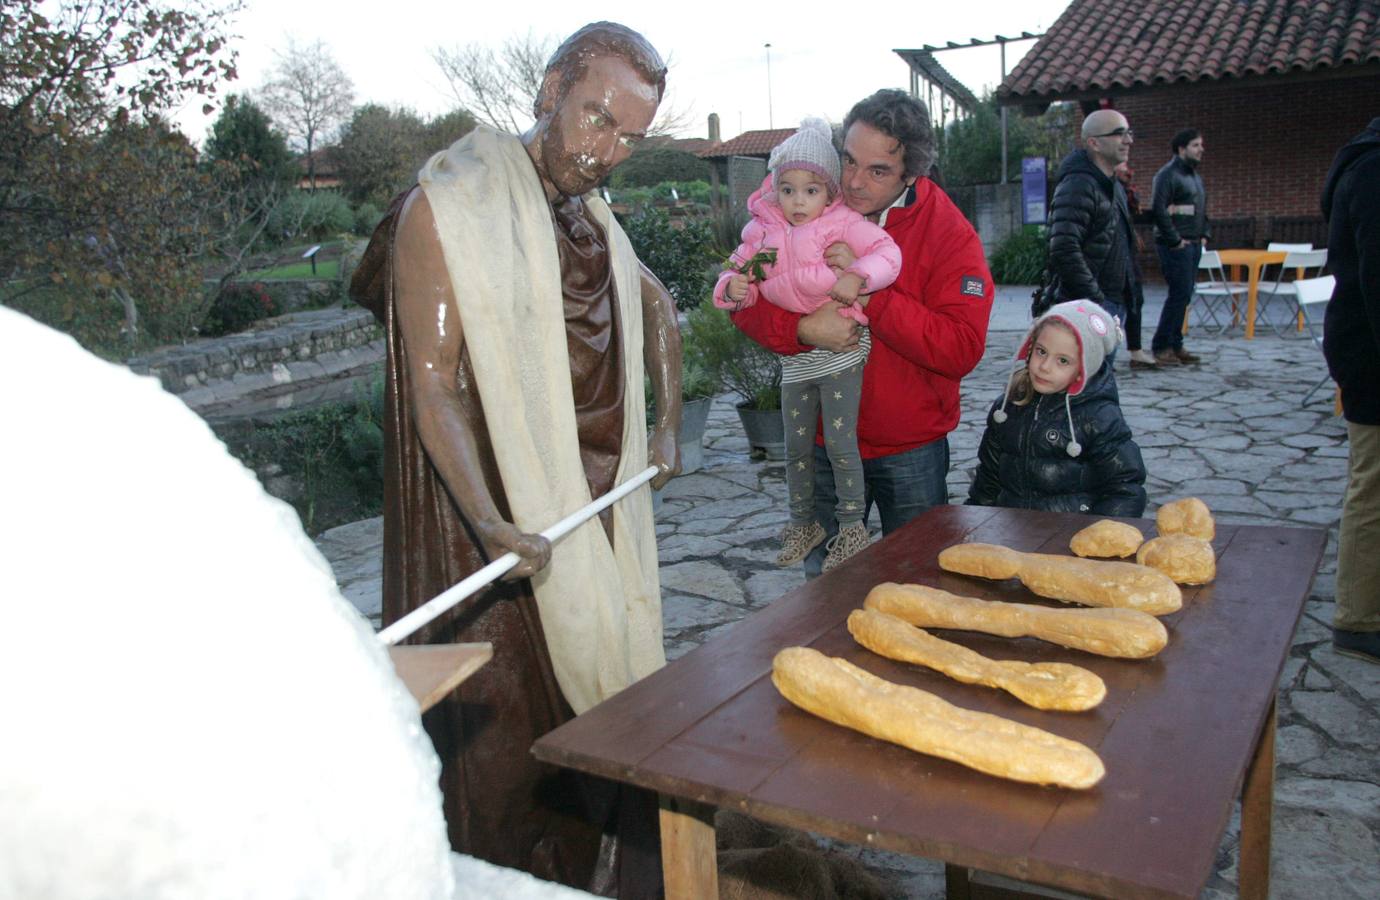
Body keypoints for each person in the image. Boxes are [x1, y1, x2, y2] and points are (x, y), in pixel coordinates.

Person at [350, 22, 680, 895]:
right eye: (594, 117)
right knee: (504, 739)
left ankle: (590, 870)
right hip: (482, 521)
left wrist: (669, 422)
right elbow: (434, 388)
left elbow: (657, 308)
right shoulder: (449, 209)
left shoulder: (590, 222)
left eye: (628, 138)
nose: (604, 150)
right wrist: (491, 518)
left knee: (585, 719)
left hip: (580, 498)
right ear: (549, 91)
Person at [730, 90, 993, 576]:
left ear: (912, 174)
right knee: (824, 589)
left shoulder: (949, 235)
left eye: (877, 171)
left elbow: (960, 347)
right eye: (848, 160)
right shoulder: (800, 204)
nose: (851, 182)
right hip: (822, 442)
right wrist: (803, 328)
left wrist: (870, 294)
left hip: (908, 451)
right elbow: (743, 301)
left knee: (916, 588)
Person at [713, 118, 902, 570]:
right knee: (795, 446)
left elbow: (888, 255)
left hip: (840, 353)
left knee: (839, 444)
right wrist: (731, 289)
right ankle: (804, 524)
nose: (798, 202)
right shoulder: (762, 232)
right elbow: (735, 274)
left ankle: (852, 527)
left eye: (811, 190)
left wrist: (858, 274)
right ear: (774, 189)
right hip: (796, 361)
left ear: (829, 192)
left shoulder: (843, 224)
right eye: (789, 189)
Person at [969, 300, 1147, 516]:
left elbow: (1125, 488)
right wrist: (976, 522)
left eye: (1062, 360)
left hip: (1070, 536)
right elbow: (988, 477)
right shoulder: (1007, 408)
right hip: (1011, 534)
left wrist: (1100, 539)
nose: (1044, 367)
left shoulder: (1099, 418)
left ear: (1083, 370)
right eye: (1041, 352)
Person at [1321, 116, 1380, 665]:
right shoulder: (1371, 169)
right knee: (1374, 487)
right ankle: (1360, 617)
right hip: (1370, 358)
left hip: (1360, 352)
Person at [1043, 109, 1140, 360]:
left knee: (1099, 387)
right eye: (1119, 134)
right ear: (1094, 143)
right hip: (1090, 307)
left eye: (1128, 133)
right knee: (1084, 391)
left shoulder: (1111, 184)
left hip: (1109, 305)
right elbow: (1064, 248)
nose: (1128, 140)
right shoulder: (1078, 185)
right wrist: (1096, 299)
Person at [1150, 128, 1210, 366]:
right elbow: (1159, 209)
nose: (1201, 149)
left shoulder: (1195, 177)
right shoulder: (1167, 175)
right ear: (1181, 149)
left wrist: (1205, 233)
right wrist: (1174, 239)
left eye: (1201, 144)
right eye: (1196, 145)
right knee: (1178, 294)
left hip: (1193, 243)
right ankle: (1162, 345)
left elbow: (1203, 208)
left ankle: (1176, 344)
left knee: (1185, 295)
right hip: (1175, 245)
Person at [1114, 161, 1158, 370]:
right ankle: (1105, 356)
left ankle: (1135, 349)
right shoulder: (1106, 186)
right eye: (1122, 165)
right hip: (1113, 255)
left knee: (1135, 299)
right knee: (1112, 306)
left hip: (1128, 253)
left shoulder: (1127, 192)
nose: (1127, 169)